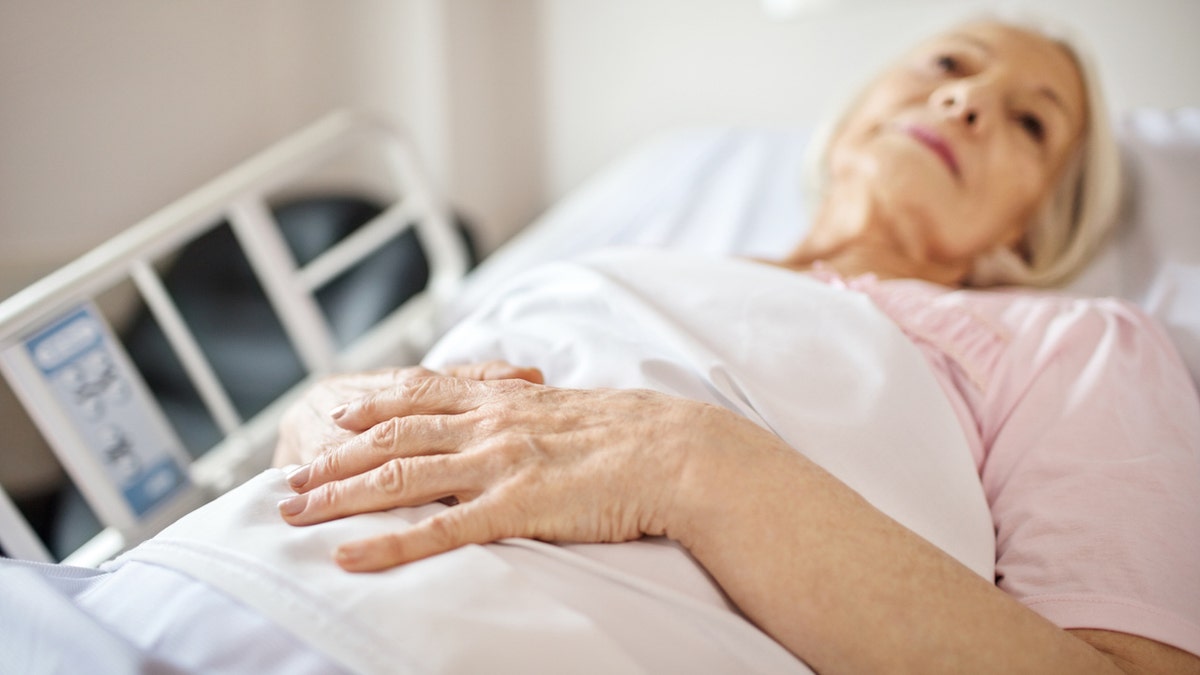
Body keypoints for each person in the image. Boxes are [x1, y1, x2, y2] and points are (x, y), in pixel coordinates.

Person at [270, 18, 1200, 675]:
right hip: (202, 588)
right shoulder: (633, 258)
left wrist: (689, 463)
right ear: (858, 111)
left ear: (1033, 228)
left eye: (1031, 121)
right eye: (949, 61)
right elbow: (365, 429)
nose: (964, 100)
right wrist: (328, 411)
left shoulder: (1072, 343)